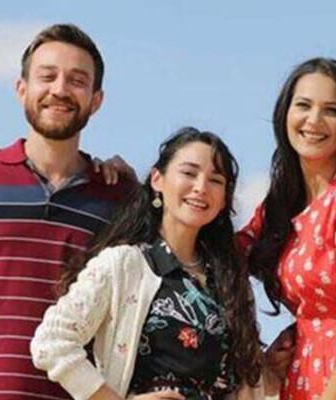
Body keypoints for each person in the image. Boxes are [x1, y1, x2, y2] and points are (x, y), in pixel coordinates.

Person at [0, 24, 133, 399]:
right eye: (47, 76)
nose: (60, 90)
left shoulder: (120, 197)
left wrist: (138, 183)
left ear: (96, 100)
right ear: (22, 89)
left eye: (77, 80)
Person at [31, 127, 263, 400]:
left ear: (224, 199)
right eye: (189, 173)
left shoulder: (230, 281)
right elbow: (52, 342)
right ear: (157, 179)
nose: (201, 187)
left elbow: (245, 380)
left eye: (215, 180)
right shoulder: (124, 264)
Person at [238, 58, 336, 400]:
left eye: (331, 111)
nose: (314, 120)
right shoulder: (280, 205)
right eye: (303, 105)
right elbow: (220, 255)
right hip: (302, 379)